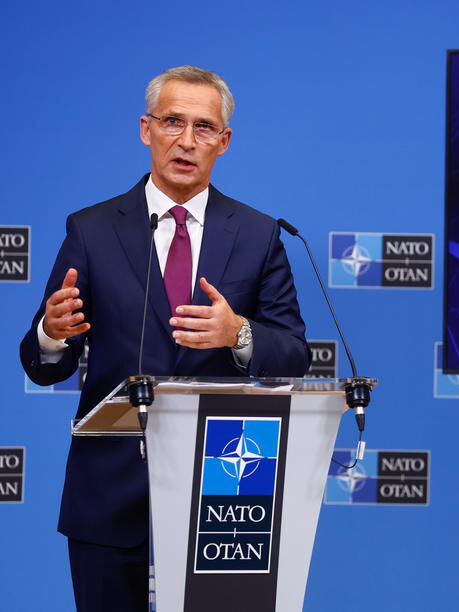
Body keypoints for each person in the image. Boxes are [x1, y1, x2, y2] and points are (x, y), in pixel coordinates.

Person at [19, 65, 310, 611]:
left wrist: (239, 333)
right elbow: (42, 363)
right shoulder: (92, 229)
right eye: (173, 121)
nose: (186, 140)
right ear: (146, 129)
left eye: (204, 127)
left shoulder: (258, 234)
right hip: (109, 491)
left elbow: (293, 353)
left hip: (225, 491)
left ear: (224, 141)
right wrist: (52, 334)